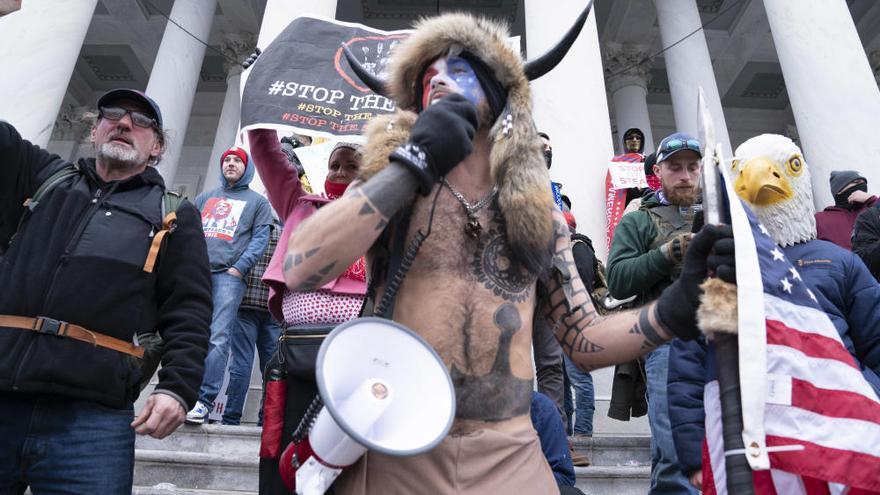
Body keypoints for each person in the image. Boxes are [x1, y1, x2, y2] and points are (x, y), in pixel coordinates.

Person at [287, 11, 733, 494]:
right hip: (394, 450)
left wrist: (675, 306)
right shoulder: (392, 192)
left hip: (510, 456)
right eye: (428, 77)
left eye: (458, 71)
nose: (438, 82)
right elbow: (302, 266)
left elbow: (585, 341)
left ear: (499, 94)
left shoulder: (536, 216)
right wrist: (410, 164)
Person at [0, 87, 212, 493]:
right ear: (94, 132)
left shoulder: (174, 215)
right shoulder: (42, 178)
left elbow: (189, 309)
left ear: (157, 147)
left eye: (142, 121)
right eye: (112, 114)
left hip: (91, 420)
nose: (125, 123)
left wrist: (177, 388)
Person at [669, 133, 880, 489]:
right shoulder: (715, 274)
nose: (760, 177)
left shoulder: (842, 263)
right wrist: (693, 455)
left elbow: (876, 344)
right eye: (744, 171)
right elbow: (689, 368)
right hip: (743, 440)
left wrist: (865, 402)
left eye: (789, 167)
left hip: (837, 436)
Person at [246, 132, 367, 495]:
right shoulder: (299, 205)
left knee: (349, 462)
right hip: (297, 356)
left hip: (357, 360)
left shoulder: (382, 214)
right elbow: (267, 157)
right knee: (286, 449)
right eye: (335, 165)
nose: (341, 172)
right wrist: (262, 120)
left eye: (351, 166)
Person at [606, 132, 703, 495]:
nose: (685, 175)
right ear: (658, 171)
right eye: (675, 167)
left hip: (721, 338)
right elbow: (617, 281)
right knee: (674, 449)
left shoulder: (719, 213)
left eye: (692, 167)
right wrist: (667, 253)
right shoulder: (639, 220)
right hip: (667, 343)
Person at [186, 146, 273, 424]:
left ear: (246, 168)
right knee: (186, 334)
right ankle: (179, 395)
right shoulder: (204, 197)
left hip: (228, 277)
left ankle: (204, 401)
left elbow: (261, 239)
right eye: (227, 160)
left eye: (237, 160)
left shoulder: (257, 203)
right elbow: (188, 232)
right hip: (197, 274)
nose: (231, 164)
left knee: (218, 338)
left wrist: (239, 268)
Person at [222, 220, 283, 425]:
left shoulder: (251, 230)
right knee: (271, 368)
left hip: (245, 304)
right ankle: (265, 420)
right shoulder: (286, 234)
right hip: (273, 308)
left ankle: (231, 417)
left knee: (241, 363)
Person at [815, 170, 877, 250]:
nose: (862, 186)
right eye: (856, 182)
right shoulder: (820, 219)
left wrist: (871, 199)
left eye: (863, 183)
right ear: (840, 190)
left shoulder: (872, 210)